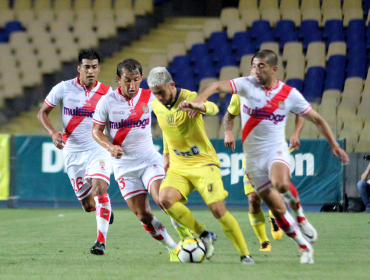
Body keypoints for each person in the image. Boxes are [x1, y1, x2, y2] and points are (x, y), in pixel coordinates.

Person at [181, 49, 349, 264]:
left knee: (280, 183)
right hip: (252, 160)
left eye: (261, 66)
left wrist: (334, 144)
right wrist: (199, 102)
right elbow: (214, 86)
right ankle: (304, 246)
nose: (256, 70)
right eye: (253, 65)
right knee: (277, 210)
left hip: (276, 151)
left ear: (274, 69)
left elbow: (316, 119)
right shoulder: (245, 85)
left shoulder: (289, 94)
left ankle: (300, 216)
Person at [147, 66, 255, 265]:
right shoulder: (155, 105)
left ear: (172, 85)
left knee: (217, 209)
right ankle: (203, 234)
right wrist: (166, 154)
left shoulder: (189, 97)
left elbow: (213, 109)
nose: (159, 97)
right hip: (179, 166)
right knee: (165, 199)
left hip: (204, 163)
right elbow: (165, 128)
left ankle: (245, 253)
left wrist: (199, 106)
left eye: (161, 92)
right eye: (155, 94)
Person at [91, 58, 191, 262]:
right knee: (143, 215)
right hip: (124, 167)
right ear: (118, 79)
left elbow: (170, 111)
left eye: (136, 80)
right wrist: (110, 147)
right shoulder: (107, 101)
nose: (132, 85)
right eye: (127, 80)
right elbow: (96, 131)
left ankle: (186, 237)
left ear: (141, 78)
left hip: (149, 161)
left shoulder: (149, 97)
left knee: (162, 198)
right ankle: (174, 248)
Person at [37, 50, 113, 255]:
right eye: (86, 66)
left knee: (99, 187)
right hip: (72, 151)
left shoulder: (108, 92)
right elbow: (42, 112)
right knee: (88, 205)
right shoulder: (63, 88)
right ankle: (103, 211)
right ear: (79, 68)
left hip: (98, 148)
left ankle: (100, 242)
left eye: (94, 66)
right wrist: (53, 133)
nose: (91, 71)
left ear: (99, 69)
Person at [223, 93, 306, 251]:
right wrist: (228, 131)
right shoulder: (240, 93)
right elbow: (229, 115)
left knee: (273, 192)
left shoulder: (280, 91)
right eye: (253, 67)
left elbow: (300, 111)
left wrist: (295, 134)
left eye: (260, 67)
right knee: (253, 200)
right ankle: (263, 241)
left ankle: (274, 215)